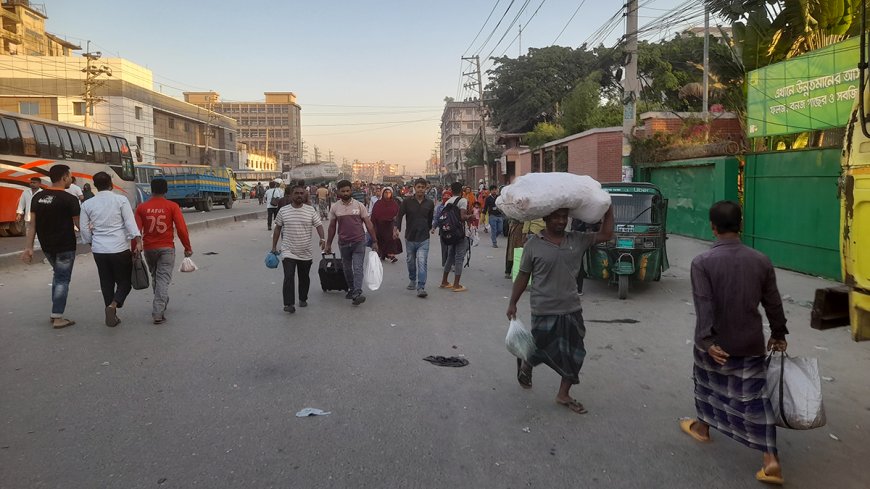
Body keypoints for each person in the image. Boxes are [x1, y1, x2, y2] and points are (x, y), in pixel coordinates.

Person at [680, 200, 789, 485]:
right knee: (754, 398)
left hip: (716, 343)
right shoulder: (761, 260)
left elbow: (704, 304)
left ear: (712, 228)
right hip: (750, 341)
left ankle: (703, 430)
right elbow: (773, 302)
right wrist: (779, 333)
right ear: (740, 225)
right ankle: (770, 459)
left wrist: (706, 340)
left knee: (708, 387)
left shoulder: (702, 263)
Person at [506, 205, 614, 414]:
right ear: (546, 218)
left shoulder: (577, 239)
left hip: (571, 308)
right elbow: (523, 276)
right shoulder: (533, 245)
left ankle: (563, 394)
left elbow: (606, 234)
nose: (561, 221)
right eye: (556, 217)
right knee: (540, 346)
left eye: (564, 217)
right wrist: (512, 302)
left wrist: (608, 209)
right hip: (542, 308)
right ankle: (528, 362)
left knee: (575, 354)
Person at [21, 165, 80, 329]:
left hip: (47, 246)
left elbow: (32, 225)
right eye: (70, 176)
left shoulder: (38, 197)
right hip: (65, 246)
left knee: (58, 275)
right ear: (64, 177)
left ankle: (55, 313)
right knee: (62, 279)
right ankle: (58, 317)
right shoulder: (70, 199)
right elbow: (78, 224)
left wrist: (29, 247)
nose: (70, 179)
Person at [80, 171, 142, 327]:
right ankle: (113, 306)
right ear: (111, 184)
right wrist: (138, 240)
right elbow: (129, 222)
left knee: (106, 282)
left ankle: (111, 312)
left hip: (99, 250)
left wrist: (91, 242)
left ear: (95, 186)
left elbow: (84, 229)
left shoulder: (87, 204)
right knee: (125, 282)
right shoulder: (121, 200)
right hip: (119, 248)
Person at [135, 177, 193, 324]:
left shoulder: (142, 207)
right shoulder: (172, 206)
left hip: (149, 248)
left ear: (151, 190)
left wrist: (134, 248)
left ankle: (161, 300)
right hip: (166, 248)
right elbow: (181, 229)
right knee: (163, 279)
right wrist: (187, 247)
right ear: (166, 190)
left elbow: (135, 231)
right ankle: (158, 311)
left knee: (156, 276)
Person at [271, 183, 327, 313]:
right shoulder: (283, 211)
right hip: (288, 250)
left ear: (305, 195)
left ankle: (303, 298)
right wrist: (274, 246)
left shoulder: (310, 210)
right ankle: (288, 304)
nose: (299, 196)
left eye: (302, 193)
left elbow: (318, 225)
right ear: (290, 195)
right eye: (296, 193)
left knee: (304, 277)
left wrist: (322, 238)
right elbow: (278, 228)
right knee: (289, 276)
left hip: (305, 251)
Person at [326, 180, 379, 306]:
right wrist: (328, 244)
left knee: (357, 267)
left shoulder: (359, 206)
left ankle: (357, 292)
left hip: (359, 241)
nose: (345, 193)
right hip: (343, 243)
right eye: (343, 191)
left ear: (351, 190)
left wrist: (374, 241)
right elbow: (332, 227)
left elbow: (369, 224)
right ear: (338, 192)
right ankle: (351, 288)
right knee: (347, 268)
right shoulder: (335, 207)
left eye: (347, 190)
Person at [395, 178, 435, 298]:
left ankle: (421, 287)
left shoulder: (430, 203)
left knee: (422, 262)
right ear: (414, 187)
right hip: (410, 237)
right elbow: (399, 216)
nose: (421, 189)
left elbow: (430, 219)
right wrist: (397, 228)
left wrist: (427, 229)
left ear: (426, 188)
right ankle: (412, 279)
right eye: (419, 187)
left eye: (423, 187)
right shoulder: (407, 202)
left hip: (424, 238)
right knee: (410, 261)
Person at [438, 182, 470, 292]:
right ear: (462, 190)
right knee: (459, 258)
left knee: (450, 256)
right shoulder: (463, 201)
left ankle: (444, 281)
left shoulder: (448, 201)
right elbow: (462, 217)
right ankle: (456, 284)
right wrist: (471, 216)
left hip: (450, 233)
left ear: (451, 190)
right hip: (459, 233)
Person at [371, 187, 401, 262]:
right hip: (380, 225)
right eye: (385, 193)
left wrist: (397, 227)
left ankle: (391, 255)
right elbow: (374, 214)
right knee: (381, 240)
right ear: (383, 193)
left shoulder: (394, 203)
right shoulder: (378, 203)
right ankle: (383, 254)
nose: (387, 194)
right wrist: (373, 225)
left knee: (391, 239)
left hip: (390, 224)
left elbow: (398, 215)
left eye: (389, 193)